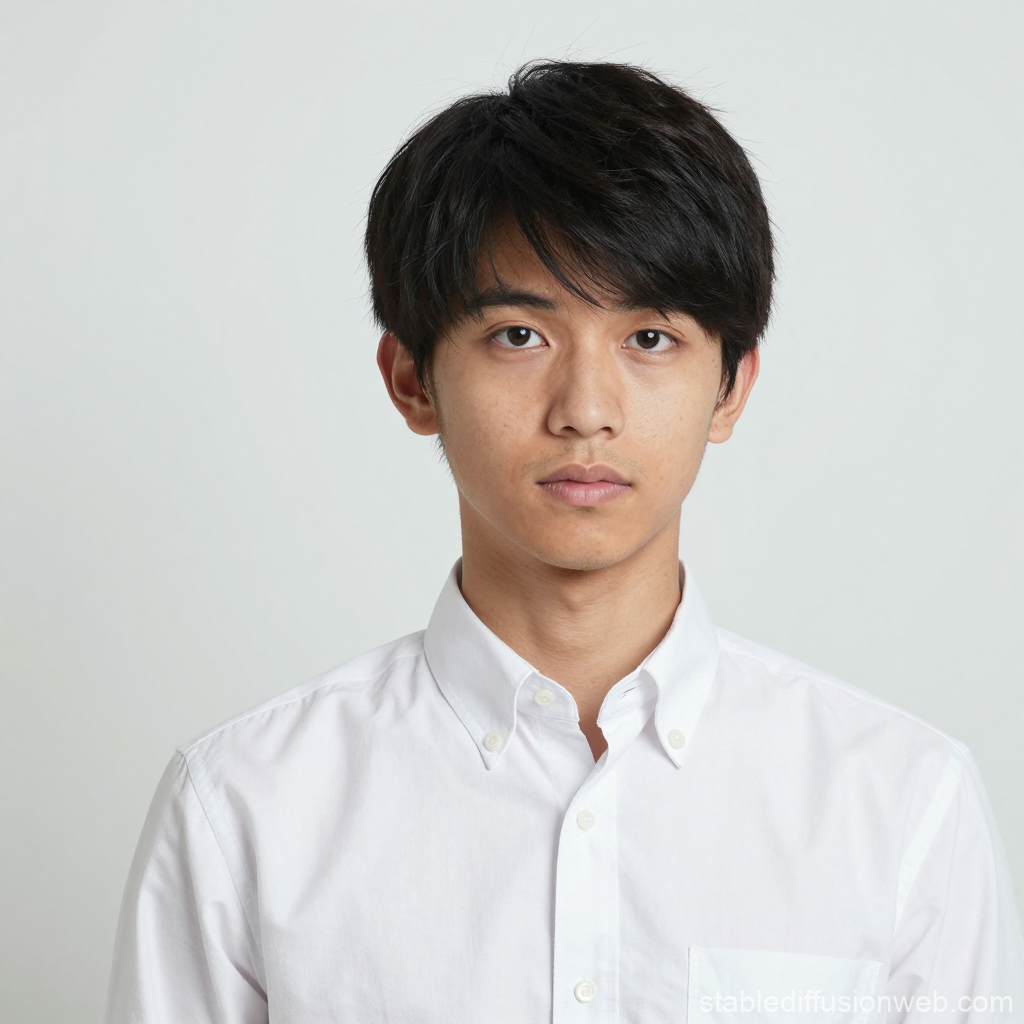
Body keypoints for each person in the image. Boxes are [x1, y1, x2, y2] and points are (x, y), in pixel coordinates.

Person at [106, 61, 1024, 1022]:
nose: (586, 411)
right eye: (517, 336)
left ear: (733, 386)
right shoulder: (246, 809)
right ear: (413, 379)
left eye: (651, 339)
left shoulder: (901, 802)